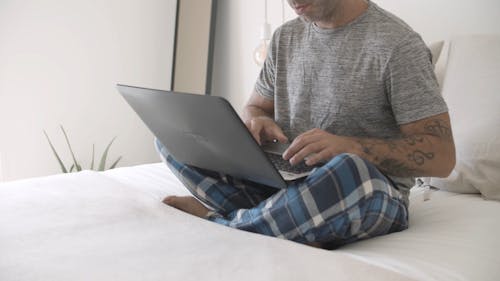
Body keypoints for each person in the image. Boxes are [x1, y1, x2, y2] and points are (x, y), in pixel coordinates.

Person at [156, 0, 455, 249]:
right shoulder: (286, 37)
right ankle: (275, 216)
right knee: (175, 134)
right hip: (284, 179)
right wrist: (257, 120)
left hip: (363, 190)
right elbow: (255, 106)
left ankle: (224, 222)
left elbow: (442, 157)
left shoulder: (398, 45)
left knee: (347, 169)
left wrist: (351, 146)